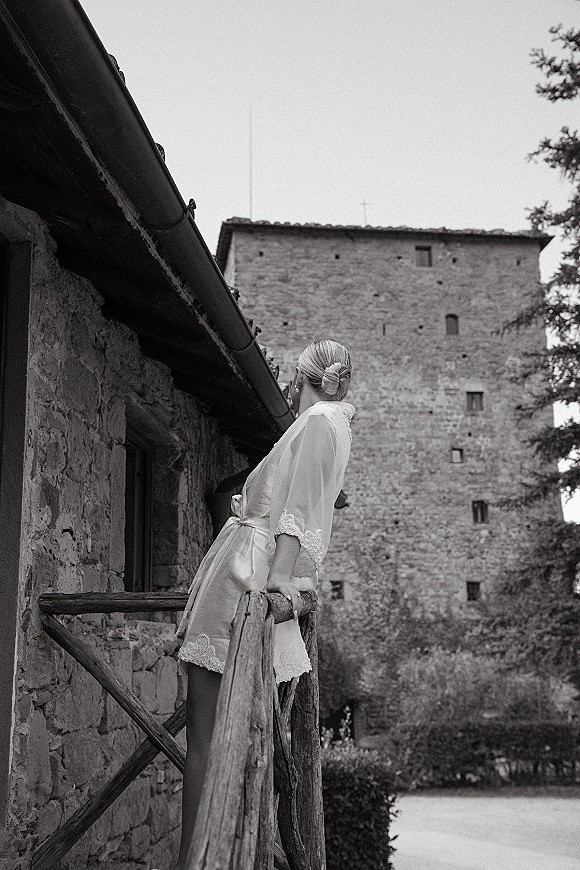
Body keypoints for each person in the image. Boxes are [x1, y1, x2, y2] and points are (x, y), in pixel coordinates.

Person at [171, 339, 354, 870]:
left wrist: (278, 580)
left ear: (301, 379)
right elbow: (307, 507)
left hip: (244, 573)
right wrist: (287, 580)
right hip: (254, 571)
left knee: (207, 740)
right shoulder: (337, 424)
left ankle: (196, 862)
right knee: (243, 733)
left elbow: (296, 510)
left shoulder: (316, 422)